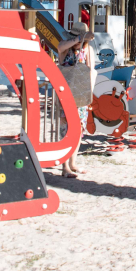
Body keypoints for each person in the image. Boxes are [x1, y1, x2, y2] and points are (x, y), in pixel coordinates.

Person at [56, 21, 93, 178]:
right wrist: (79, 38)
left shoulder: (87, 49)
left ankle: (72, 163)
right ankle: (65, 167)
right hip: (66, 95)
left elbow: (91, 70)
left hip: (81, 94)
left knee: (78, 130)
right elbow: (60, 47)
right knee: (66, 130)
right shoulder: (66, 49)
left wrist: (90, 94)